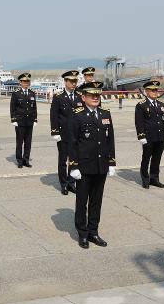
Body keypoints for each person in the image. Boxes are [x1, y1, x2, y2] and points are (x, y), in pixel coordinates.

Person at [68, 81, 116, 249]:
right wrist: (73, 166)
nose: (96, 97)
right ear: (83, 97)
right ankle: (82, 234)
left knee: (96, 201)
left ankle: (93, 232)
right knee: (82, 202)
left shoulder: (105, 113)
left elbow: (110, 140)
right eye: (91, 95)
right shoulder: (77, 115)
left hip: (101, 165)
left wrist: (111, 162)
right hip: (84, 167)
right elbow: (72, 142)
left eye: (98, 95)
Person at [50, 70, 83, 195]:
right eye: (71, 81)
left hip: (77, 135)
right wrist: (55, 132)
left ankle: (71, 183)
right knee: (63, 160)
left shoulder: (80, 97)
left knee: (74, 160)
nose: (74, 84)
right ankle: (63, 184)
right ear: (65, 82)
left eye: (75, 81)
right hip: (63, 135)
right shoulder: (58, 97)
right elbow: (54, 115)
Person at [135, 80, 164, 189]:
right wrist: (141, 136)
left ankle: (154, 178)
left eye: (156, 90)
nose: (155, 92)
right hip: (148, 137)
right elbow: (138, 122)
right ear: (146, 91)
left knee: (157, 158)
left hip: (160, 136)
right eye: (153, 90)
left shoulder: (161, 104)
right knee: (146, 158)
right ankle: (145, 179)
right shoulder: (141, 105)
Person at [10, 72, 37, 168]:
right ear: (20, 82)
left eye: (27, 81)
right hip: (20, 122)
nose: (26, 83)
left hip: (29, 122)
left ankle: (26, 160)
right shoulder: (16, 94)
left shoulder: (32, 93)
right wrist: (13, 120)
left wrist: (35, 120)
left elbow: (34, 108)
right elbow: (12, 108)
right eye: (24, 81)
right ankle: (19, 161)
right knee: (20, 142)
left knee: (28, 142)